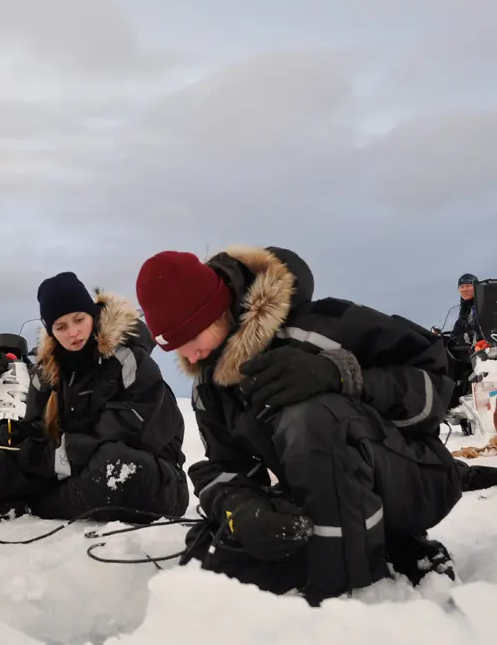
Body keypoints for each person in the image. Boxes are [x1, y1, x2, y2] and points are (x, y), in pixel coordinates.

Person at [135, 246, 463, 606]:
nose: (190, 356)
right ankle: (371, 552)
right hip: (329, 498)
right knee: (213, 565)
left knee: (310, 417)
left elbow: (437, 383)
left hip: (417, 479)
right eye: (177, 348)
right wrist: (241, 509)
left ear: (217, 309)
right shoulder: (211, 385)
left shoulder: (321, 324)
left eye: (192, 338)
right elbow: (227, 467)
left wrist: (342, 375)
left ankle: (350, 596)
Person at [0, 272, 188, 523]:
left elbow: (126, 431)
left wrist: (55, 457)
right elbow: (38, 431)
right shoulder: (49, 370)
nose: (73, 332)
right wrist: (21, 437)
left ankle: (34, 507)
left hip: (153, 476)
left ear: (91, 315)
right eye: (61, 327)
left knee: (112, 464)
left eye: (79, 320)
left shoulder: (130, 360)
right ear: (51, 331)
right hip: (74, 466)